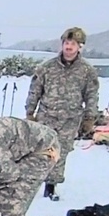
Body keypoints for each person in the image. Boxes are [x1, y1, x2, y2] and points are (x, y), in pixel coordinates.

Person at [25, 27, 100, 200]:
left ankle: (50, 187)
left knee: (60, 153)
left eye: (73, 44)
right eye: (66, 43)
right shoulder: (46, 67)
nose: (69, 47)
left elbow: (91, 95)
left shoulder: (87, 71)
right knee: (40, 150)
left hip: (70, 119)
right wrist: (30, 112)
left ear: (79, 47)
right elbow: (34, 90)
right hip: (46, 116)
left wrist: (89, 118)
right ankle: (33, 182)